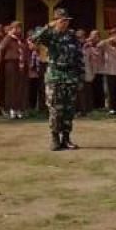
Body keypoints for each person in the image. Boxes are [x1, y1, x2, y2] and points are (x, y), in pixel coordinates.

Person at [32, 9, 84, 150]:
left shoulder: (72, 36)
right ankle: (55, 138)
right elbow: (34, 39)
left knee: (69, 110)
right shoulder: (50, 35)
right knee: (55, 109)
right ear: (56, 20)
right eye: (62, 20)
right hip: (55, 76)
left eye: (67, 20)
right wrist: (49, 26)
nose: (65, 23)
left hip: (70, 77)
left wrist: (80, 77)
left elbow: (79, 57)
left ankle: (66, 138)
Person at [0, 22, 29, 119]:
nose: (18, 30)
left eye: (20, 28)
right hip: (11, 65)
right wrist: (8, 36)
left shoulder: (22, 40)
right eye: (16, 28)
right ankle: (11, 109)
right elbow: (1, 47)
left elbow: (26, 50)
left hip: (21, 65)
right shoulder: (8, 39)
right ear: (12, 28)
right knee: (11, 87)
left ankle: (19, 108)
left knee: (20, 88)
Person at [100, 28, 116, 115]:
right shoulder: (107, 45)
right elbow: (99, 44)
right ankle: (111, 108)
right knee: (111, 91)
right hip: (110, 70)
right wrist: (110, 39)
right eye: (114, 35)